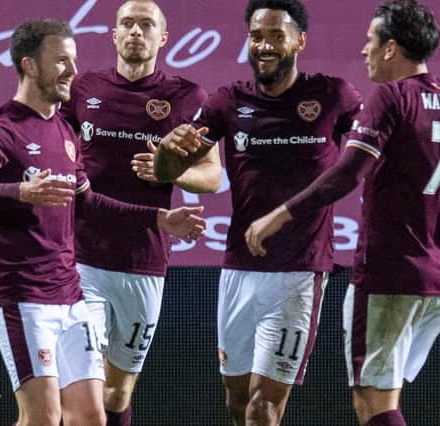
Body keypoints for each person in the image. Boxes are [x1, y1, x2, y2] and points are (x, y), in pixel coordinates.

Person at [244, 1, 440, 425]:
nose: (364, 50)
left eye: (370, 41)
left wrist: (280, 214)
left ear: (390, 48)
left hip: (387, 275)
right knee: (385, 401)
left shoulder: (391, 97)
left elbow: (348, 174)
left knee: (375, 407)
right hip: (437, 281)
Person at [0, 19, 205, 426]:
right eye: (61, 61)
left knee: (91, 416)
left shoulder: (65, 130)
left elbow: (88, 201)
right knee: (42, 416)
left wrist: (160, 218)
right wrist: (22, 192)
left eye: (74, 61)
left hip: (70, 295)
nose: (74, 72)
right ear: (30, 66)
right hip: (21, 296)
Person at [154, 0, 362, 424]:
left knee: (264, 408)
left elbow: (367, 156)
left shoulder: (333, 96)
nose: (264, 45)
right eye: (256, 36)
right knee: (236, 401)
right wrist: (168, 152)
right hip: (238, 269)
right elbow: (170, 173)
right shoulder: (227, 101)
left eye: (275, 35)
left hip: (298, 272)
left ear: (299, 41)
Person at [59, 1, 221, 424]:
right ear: (113, 35)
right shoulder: (84, 89)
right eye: (126, 24)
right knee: (83, 383)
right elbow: (56, 150)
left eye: (145, 25)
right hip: (81, 257)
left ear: (162, 38)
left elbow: (213, 175)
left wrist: (174, 169)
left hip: (143, 261)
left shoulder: (187, 97)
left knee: (117, 392)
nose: (135, 31)